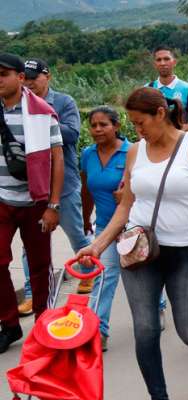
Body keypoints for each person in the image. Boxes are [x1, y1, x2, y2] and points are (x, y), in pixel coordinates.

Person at [76, 87, 188, 400]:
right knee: (146, 329)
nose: (137, 131)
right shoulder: (136, 152)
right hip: (140, 253)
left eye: (140, 123)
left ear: (160, 114)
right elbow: (126, 207)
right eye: (133, 125)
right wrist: (97, 243)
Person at [0, 52, 63, 353]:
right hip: (1, 198)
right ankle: (9, 323)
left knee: (40, 266)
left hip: (35, 200)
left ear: (20, 78)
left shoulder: (42, 112)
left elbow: (57, 159)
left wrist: (53, 205)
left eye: (3, 73)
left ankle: (43, 322)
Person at [17, 58, 90, 316]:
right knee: (31, 243)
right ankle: (30, 293)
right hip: (33, 185)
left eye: (33, 78)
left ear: (47, 76)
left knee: (76, 235)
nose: (28, 83)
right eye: (24, 78)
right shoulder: (18, 105)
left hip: (65, 182)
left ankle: (87, 273)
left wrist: (41, 120)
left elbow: (72, 134)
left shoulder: (64, 102)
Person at [80, 106, 130, 352]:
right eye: (93, 125)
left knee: (141, 275)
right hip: (104, 227)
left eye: (104, 125)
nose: (97, 130)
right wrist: (85, 217)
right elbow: (86, 189)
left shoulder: (132, 152)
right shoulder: (87, 155)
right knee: (105, 276)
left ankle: (159, 305)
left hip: (135, 228)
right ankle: (98, 330)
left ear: (117, 126)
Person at [147, 46, 188, 132]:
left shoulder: (187, 89)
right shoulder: (148, 89)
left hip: (179, 143)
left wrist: (187, 127)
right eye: (159, 60)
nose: (162, 63)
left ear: (174, 62)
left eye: (166, 59)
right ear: (154, 64)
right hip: (153, 143)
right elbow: (139, 118)